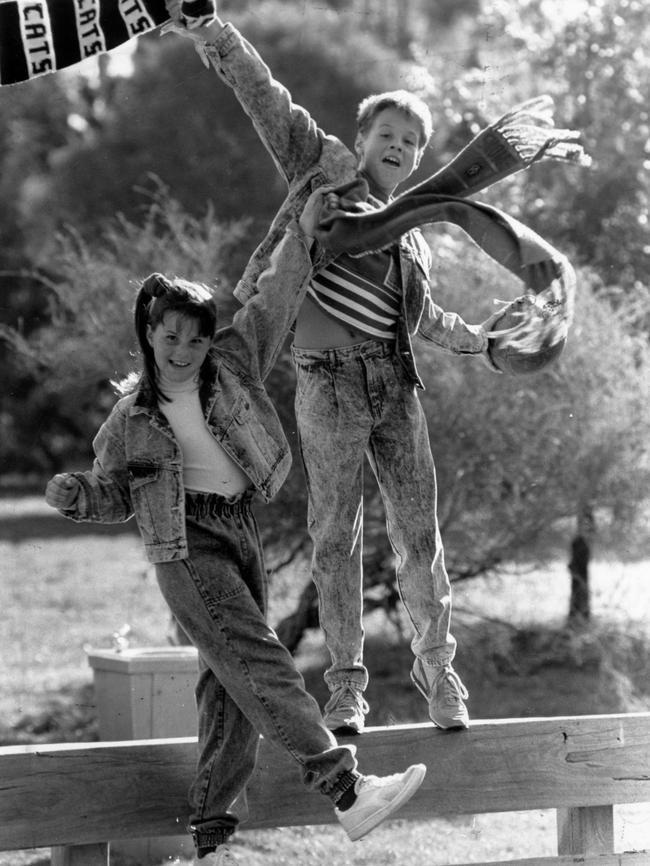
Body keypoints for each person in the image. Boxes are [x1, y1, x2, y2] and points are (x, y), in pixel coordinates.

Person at [44, 188, 427, 866]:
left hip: (240, 529)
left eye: (195, 336)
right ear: (150, 335)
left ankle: (212, 829)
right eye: (171, 337)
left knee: (227, 682)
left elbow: (276, 298)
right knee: (258, 658)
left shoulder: (232, 361)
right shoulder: (129, 419)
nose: (185, 349)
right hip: (184, 544)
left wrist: (306, 232)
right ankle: (346, 790)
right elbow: (113, 493)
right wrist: (76, 496)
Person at [164, 7, 506, 736]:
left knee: (420, 538)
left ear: (417, 160)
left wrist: (481, 340)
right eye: (387, 134)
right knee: (335, 536)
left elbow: (422, 319)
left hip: (394, 384)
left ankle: (439, 673)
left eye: (411, 143)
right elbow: (266, 95)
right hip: (327, 384)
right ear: (361, 140)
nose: (399, 147)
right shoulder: (320, 166)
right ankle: (347, 687)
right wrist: (212, 31)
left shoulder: (412, 229)